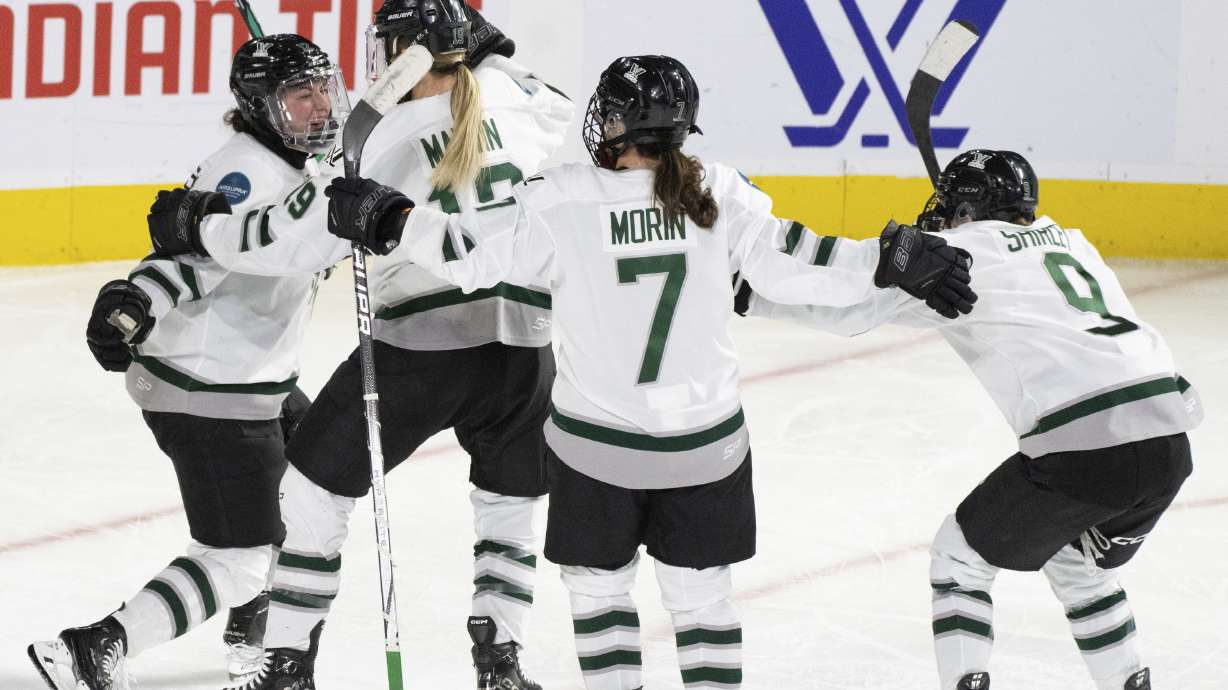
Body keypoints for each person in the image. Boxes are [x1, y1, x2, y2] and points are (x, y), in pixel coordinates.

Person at [324, 54, 976, 690]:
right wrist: (892, 260)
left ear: (613, 126)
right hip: (704, 448)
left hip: (597, 452)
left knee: (600, 593)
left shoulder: (561, 201)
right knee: (701, 602)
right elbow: (807, 261)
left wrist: (390, 217)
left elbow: (467, 256)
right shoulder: (717, 194)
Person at [145, 3, 573, 688]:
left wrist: (202, 229)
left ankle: (285, 666)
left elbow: (289, 242)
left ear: (399, 51)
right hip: (528, 351)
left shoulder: (370, 136)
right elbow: (556, 112)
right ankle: (502, 663)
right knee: (510, 506)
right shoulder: (523, 98)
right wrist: (485, 51)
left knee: (310, 492)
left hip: (423, 351)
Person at [737, 150, 1203, 690]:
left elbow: (854, 309)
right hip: (1170, 440)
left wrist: (749, 296)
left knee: (959, 562)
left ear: (965, 208)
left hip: (1086, 451)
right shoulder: (1073, 241)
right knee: (1082, 567)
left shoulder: (959, 255)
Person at [27, 34, 351, 690]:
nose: (319, 107)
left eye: (324, 89)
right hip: (209, 391)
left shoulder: (299, 162)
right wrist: (133, 302)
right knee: (240, 556)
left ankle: (250, 622)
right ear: (262, 106)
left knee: (316, 493)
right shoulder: (246, 172)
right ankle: (95, 648)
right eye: (299, 94)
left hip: (257, 383)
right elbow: (188, 257)